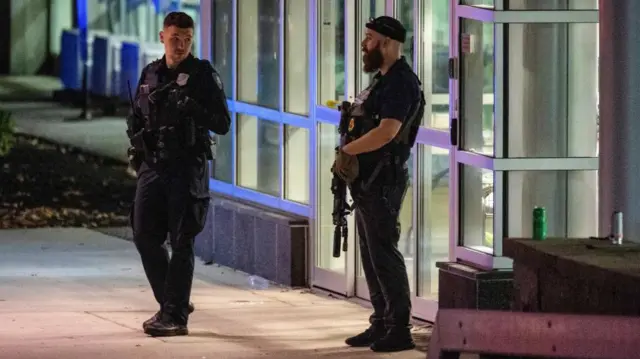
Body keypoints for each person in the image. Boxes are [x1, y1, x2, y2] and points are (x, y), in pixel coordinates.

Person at [126, 11, 231, 337]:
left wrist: (191, 107)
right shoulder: (150, 73)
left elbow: (222, 124)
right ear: (162, 38)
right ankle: (173, 301)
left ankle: (174, 317)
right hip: (152, 167)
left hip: (186, 169)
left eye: (187, 39)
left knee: (182, 242)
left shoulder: (202, 75)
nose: (181, 45)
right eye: (175, 39)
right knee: (144, 235)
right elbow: (135, 117)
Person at [332, 16, 424, 353]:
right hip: (367, 179)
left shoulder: (402, 83)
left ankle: (400, 328)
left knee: (384, 252)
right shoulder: (381, 81)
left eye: (369, 38)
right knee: (371, 253)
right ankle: (381, 321)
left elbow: (388, 131)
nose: (363, 44)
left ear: (386, 43)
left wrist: (347, 151)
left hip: (383, 180)